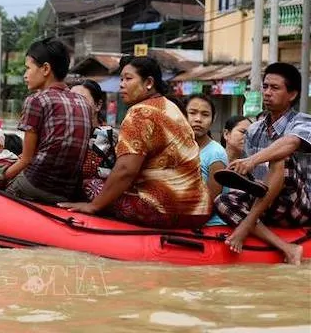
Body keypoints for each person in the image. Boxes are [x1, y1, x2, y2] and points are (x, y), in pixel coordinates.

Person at [59, 57, 211, 229]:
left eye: (128, 79)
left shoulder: (140, 113)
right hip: (199, 210)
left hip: (163, 210)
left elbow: (126, 170)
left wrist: (93, 206)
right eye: (121, 79)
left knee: (90, 184)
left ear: (149, 82)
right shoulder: (171, 107)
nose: (121, 85)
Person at [213, 62, 310, 265]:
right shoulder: (254, 130)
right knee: (223, 201)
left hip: (299, 206)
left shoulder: (304, 122)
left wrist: (252, 160)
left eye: (274, 88)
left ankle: (247, 224)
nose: (267, 92)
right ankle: (287, 248)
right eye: (265, 87)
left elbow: (290, 142)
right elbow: (255, 182)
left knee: (280, 156)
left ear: (292, 95)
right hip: (267, 203)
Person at [4, 37, 92, 204]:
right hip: (68, 192)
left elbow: (26, 159)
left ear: (45, 69)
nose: (24, 75)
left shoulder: (36, 100)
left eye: (27, 69)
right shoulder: (83, 102)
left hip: (35, 184)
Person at [70, 79, 119, 200]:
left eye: (81, 99)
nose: (74, 105)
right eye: (70, 100)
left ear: (98, 105)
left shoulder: (106, 134)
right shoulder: (67, 133)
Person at [185, 94, 228, 226]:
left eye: (205, 114)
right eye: (192, 113)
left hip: (208, 225)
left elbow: (208, 204)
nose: (198, 119)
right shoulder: (177, 147)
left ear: (213, 119)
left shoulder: (216, 153)